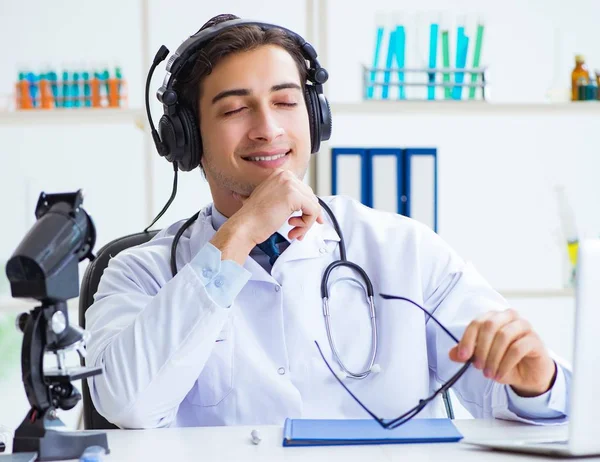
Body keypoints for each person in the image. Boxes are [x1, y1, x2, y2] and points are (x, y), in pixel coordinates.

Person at [85, 14, 570, 429]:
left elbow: (516, 401)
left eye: (286, 102)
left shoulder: (404, 250)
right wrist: (240, 235)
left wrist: (536, 382)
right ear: (186, 139)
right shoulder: (137, 271)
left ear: (316, 118)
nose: (268, 128)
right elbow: (128, 404)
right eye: (234, 108)